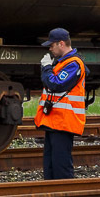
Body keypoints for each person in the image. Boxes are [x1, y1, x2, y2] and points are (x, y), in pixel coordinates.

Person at [34, 27, 87, 179]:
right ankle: (52, 196)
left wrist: (46, 68)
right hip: (54, 121)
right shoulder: (61, 63)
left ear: (61, 44)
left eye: (52, 45)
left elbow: (55, 84)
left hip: (64, 122)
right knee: (50, 165)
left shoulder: (73, 64)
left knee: (61, 166)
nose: (50, 49)